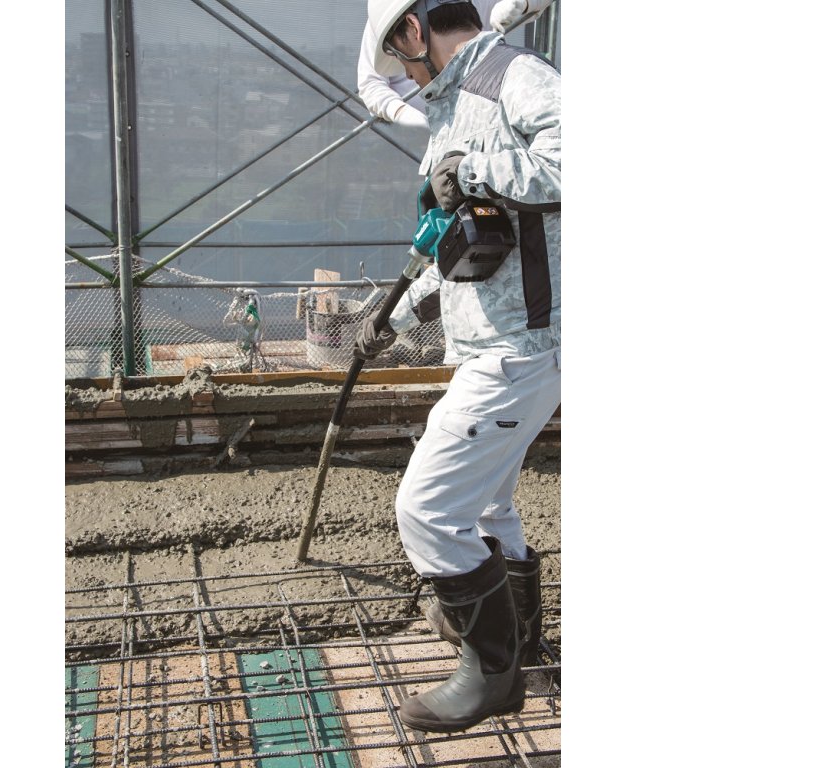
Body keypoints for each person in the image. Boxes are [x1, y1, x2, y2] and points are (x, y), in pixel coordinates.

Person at [355, 0, 561, 734]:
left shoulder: (512, 76)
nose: (407, 77)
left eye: (401, 59)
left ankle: (492, 673)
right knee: (487, 507)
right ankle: (519, 640)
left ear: (414, 30)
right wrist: (396, 315)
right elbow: (460, 238)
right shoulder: (453, 107)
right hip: (493, 341)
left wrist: (473, 167)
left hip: (520, 346)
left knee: (428, 510)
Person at [356, 0, 554, 136]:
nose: (408, 74)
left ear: (415, 28)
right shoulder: (388, 14)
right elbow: (370, 83)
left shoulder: (524, 80)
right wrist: (401, 113)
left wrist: (522, 3)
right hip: (438, 131)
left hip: (478, 108)